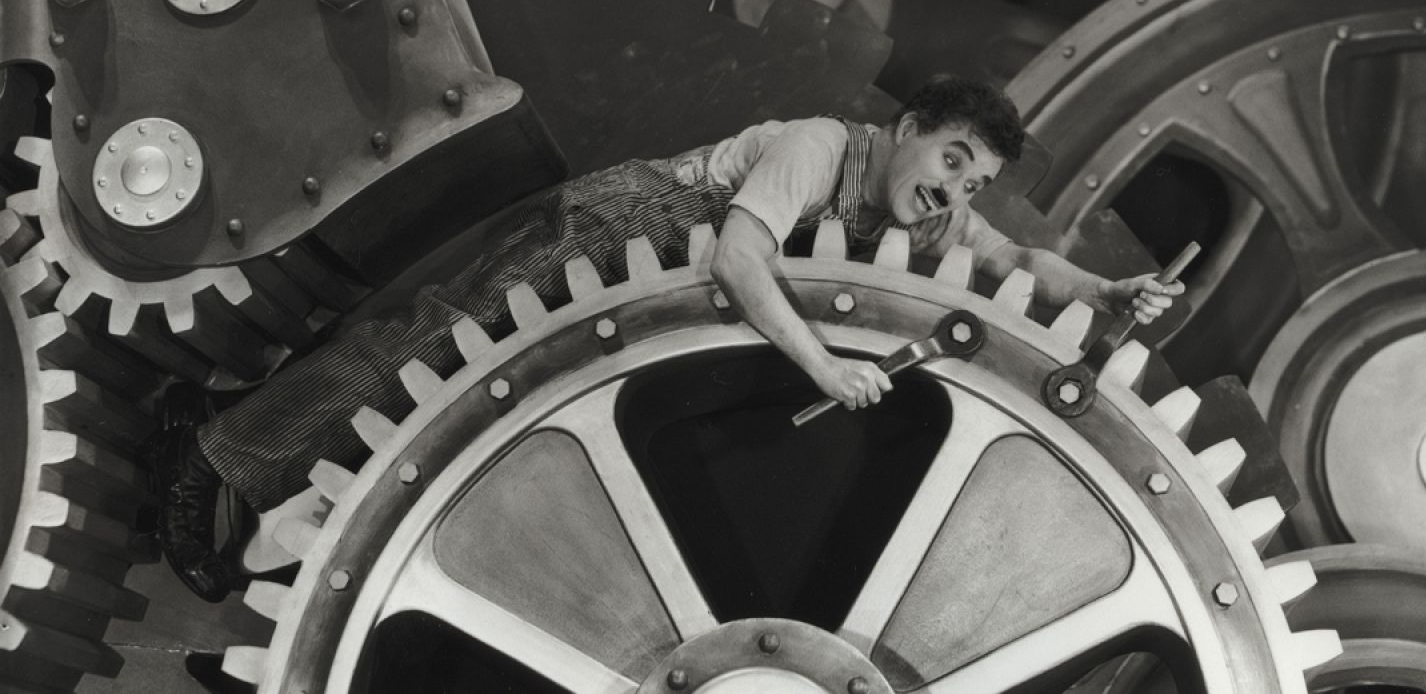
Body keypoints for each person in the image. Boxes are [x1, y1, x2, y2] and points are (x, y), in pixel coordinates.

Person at [146, 76, 1182, 601]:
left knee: (439, 422)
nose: (955, 192)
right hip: (608, 237)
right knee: (417, 360)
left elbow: (1017, 260)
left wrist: (1107, 289)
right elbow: (739, 257)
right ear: (907, 128)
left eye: (974, 182)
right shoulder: (822, 149)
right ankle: (209, 459)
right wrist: (825, 366)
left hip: (632, 293)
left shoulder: (919, 209)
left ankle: (256, 490)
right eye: (951, 160)